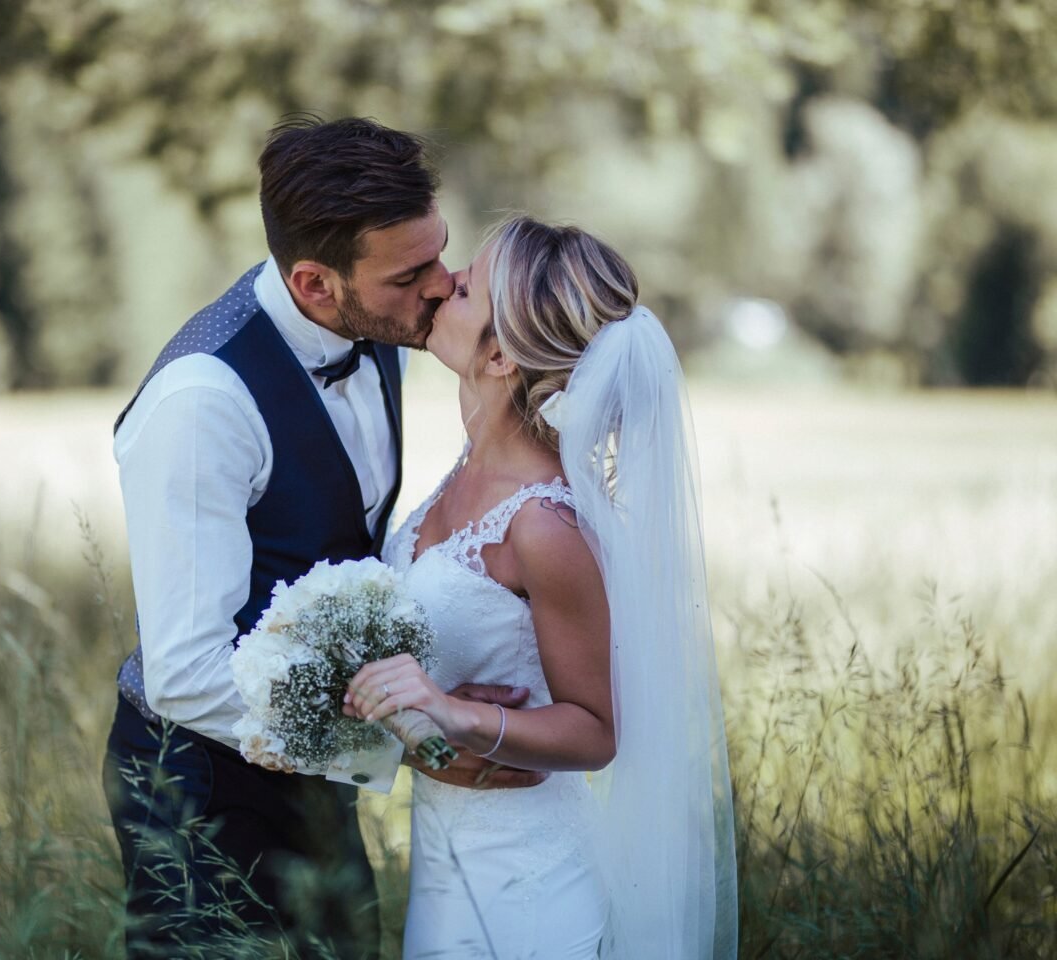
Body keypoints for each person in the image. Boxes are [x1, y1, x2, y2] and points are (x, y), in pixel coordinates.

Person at [103, 117, 542, 958]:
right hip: (199, 788)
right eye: (409, 275)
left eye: (440, 255)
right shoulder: (201, 403)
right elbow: (186, 677)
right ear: (314, 283)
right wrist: (409, 739)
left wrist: (438, 693)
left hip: (317, 765)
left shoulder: (380, 326)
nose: (443, 287)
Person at [346, 216, 739, 958]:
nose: (442, 286)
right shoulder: (462, 472)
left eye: (465, 289)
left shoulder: (545, 525)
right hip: (444, 866)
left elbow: (597, 730)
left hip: (529, 888)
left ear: (499, 356)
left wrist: (457, 716)